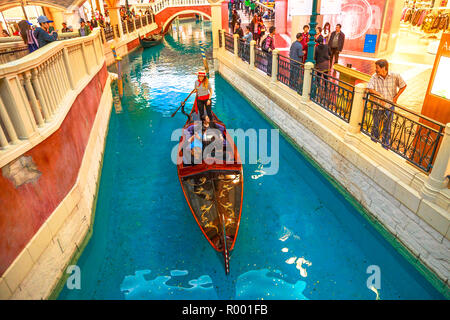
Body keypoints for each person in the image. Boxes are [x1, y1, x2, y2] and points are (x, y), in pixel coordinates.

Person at [367, 59, 407, 148]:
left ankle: (385, 145)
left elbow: (403, 85)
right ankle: (373, 142)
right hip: (377, 106)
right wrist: (380, 95)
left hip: (389, 106)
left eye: (377, 68)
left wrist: (396, 97)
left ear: (383, 68)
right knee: (376, 125)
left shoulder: (395, 76)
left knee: (387, 127)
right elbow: (370, 88)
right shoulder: (374, 76)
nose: (375, 70)